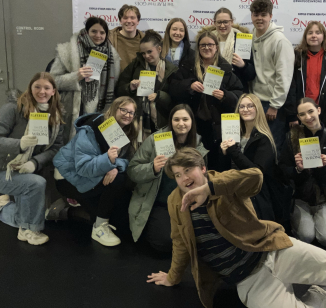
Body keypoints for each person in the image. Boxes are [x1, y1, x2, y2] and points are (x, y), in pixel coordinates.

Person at [146, 148, 326, 308]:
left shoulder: (224, 181)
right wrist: (172, 277)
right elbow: (180, 242)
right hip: (247, 280)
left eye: (189, 170)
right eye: (178, 174)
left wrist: (211, 188)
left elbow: (255, 177)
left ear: (203, 169)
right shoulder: (175, 202)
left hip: (272, 250)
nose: (184, 178)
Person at [0, 72, 64, 245]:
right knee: (36, 185)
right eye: (37, 86)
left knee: (33, 207)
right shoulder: (13, 109)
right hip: (0, 171)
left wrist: (34, 162)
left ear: (53, 91)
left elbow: (56, 147)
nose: (41, 91)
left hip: (29, 169)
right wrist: (19, 144)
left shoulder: (55, 115)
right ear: (30, 88)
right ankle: (28, 230)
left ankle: (3, 208)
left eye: (46, 88)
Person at [50, 96, 139, 246]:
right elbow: (83, 167)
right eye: (124, 110)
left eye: (131, 112)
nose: (127, 115)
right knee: (118, 181)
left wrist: (114, 165)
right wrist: (108, 161)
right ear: (113, 109)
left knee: (118, 220)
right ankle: (99, 227)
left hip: (94, 177)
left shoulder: (127, 132)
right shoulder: (90, 131)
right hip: (69, 179)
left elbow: (128, 161)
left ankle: (67, 209)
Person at [127, 104, 208, 252]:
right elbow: (132, 170)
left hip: (187, 203)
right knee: (163, 244)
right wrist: (152, 168)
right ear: (170, 121)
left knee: (201, 240)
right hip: (158, 203)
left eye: (185, 119)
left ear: (192, 122)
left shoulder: (199, 145)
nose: (181, 123)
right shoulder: (155, 140)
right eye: (176, 119)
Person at [278, 98, 326, 247]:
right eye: (302, 114)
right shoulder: (291, 137)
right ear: (298, 117)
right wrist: (298, 169)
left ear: (318, 110)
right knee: (306, 237)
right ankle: (299, 218)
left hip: (324, 198)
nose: (308, 117)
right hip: (300, 197)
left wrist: (325, 167)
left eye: (311, 111)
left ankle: (321, 219)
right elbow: (282, 170)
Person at [170, 32, 243, 171]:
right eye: (203, 45)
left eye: (210, 44)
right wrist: (189, 86)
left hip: (217, 127)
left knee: (218, 164)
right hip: (193, 124)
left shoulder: (225, 69)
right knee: (193, 163)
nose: (206, 47)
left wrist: (225, 96)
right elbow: (173, 88)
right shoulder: (188, 66)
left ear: (216, 47)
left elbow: (240, 95)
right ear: (198, 47)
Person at [51, 16, 119, 143]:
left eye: (102, 32)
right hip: (74, 108)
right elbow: (53, 81)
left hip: (100, 110)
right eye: (94, 31)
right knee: (71, 146)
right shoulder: (67, 51)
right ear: (86, 31)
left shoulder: (112, 55)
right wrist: (76, 76)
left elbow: (113, 85)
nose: (98, 35)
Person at [220, 93, 277, 221]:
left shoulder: (264, 139)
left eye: (250, 106)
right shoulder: (233, 136)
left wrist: (233, 150)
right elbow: (225, 169)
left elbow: (256, 173)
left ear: (258, 109)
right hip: (231, 191)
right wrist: (224, 154)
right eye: (242, 107)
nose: (245, 110)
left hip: (254, 198)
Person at [249, 0, 294, 153]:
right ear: (251, 16)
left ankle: (273, 177)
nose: (259, 18)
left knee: (272, 147)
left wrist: (275, 105)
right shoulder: (250, 37)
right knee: (256, 147)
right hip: (255, 102)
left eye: (263, 14)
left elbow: (285, 76)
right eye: (256, 14)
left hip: (271, 105)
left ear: (270, 16)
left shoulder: (280, 41)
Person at [115, 30, 178, 142]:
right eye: (143, 53)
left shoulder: (171, 70)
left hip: (161, 122)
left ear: (159, 49)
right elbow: (119, 91)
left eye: (149, 52)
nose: (146, 56)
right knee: (136, 152)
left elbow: (175, 100)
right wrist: (130, 87)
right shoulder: (135, 65)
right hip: (136, 119)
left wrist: (159, 96)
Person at [286, 21, 326, 131]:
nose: (314, 36)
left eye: (317, 32)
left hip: (323, 114)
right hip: (300, 113)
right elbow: (291, 87)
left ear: (323, 36)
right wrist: (293, 115)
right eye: (310, 33)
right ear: (305, 36)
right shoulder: (296, 57)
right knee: (300, 146)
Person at [196, 8, 256, 92]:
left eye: (225, 22)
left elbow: (251, 75)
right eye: (219, 22)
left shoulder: (242, 40)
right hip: (211, 90)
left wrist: (243, 65)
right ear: (214, 23)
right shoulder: (206, 41)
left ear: (231, 22)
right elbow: (198, 65)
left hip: (236, 91)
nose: (222, 25)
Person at [108, 4, 144, 72]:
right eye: (125, 18)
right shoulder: (108, 38)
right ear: (120, 21)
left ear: (138, 21)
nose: (129, 21)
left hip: (138, 81)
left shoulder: (146, 40)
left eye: (132, 18)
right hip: (115, 81)